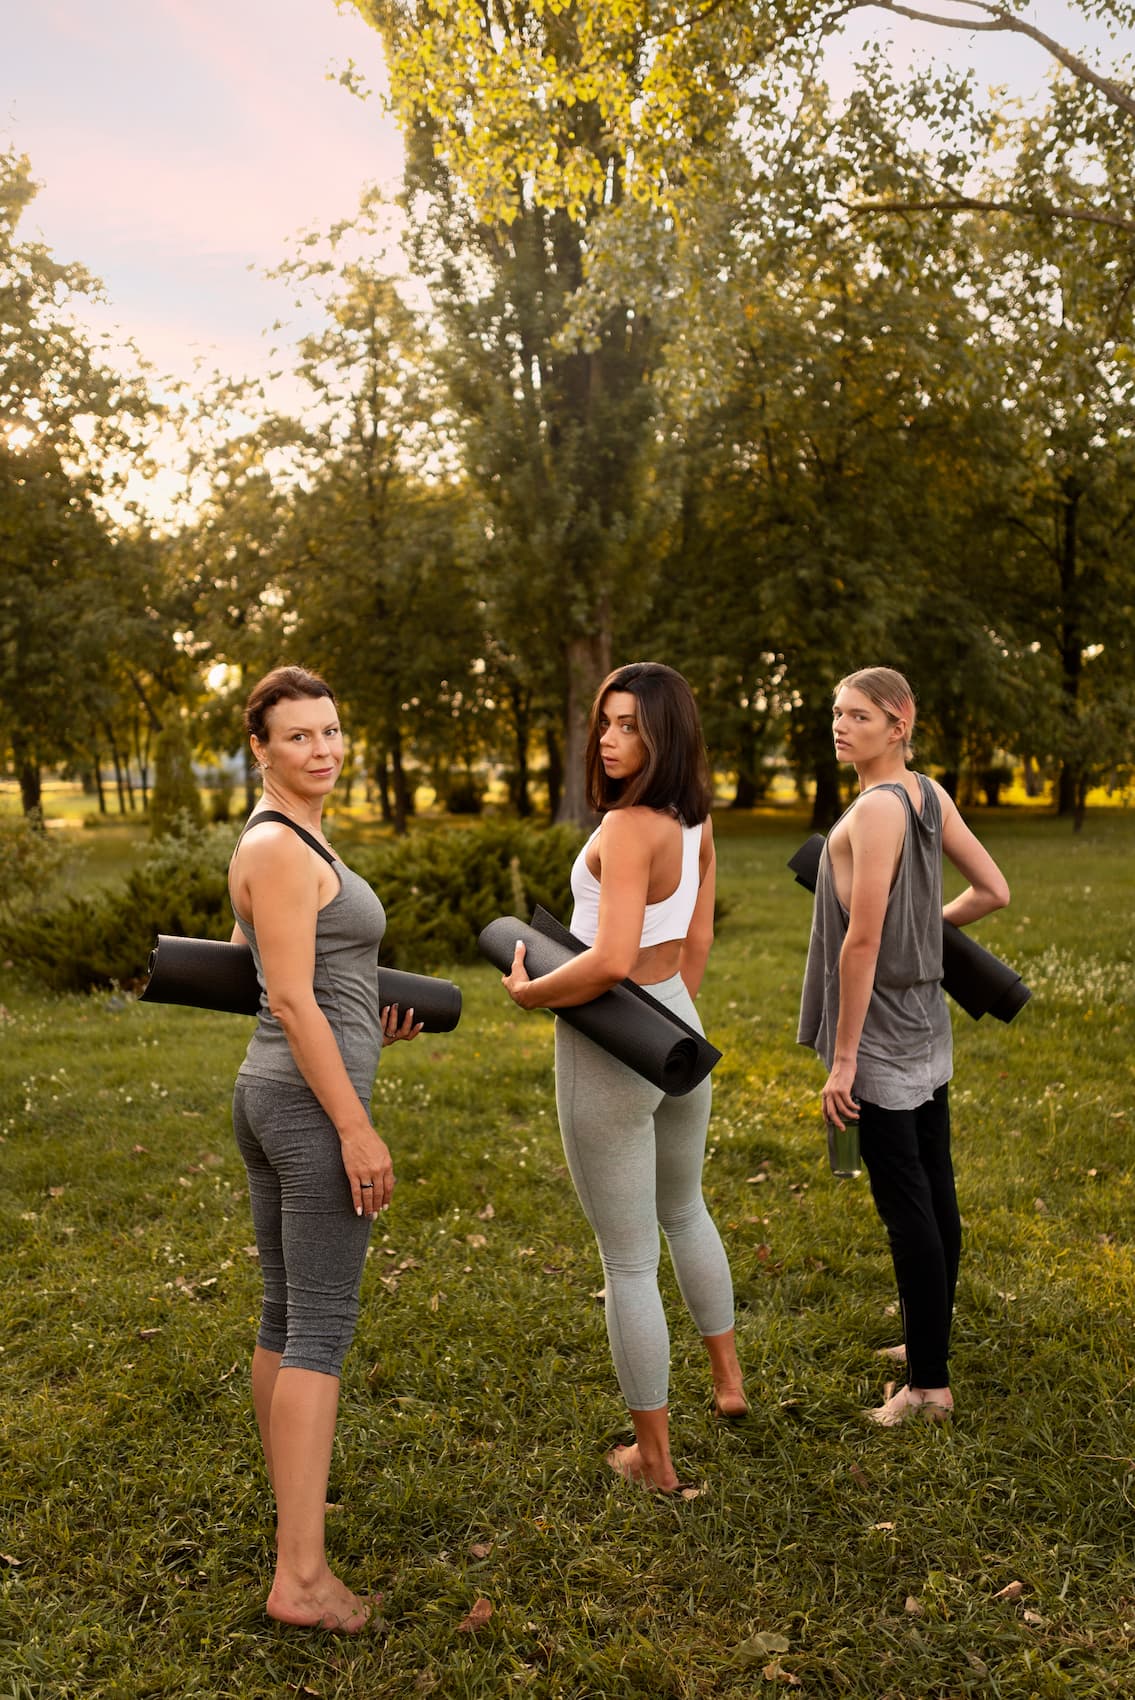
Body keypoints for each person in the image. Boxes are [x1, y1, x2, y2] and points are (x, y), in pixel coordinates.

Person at [500, 661, 745, 1493]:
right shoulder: (692, 819)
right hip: (677, 1027)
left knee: (630, 1262)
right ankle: (728, 1382)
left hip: (609, 1039)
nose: (607, 739)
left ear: (664, 733)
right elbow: (695, 935)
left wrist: (533, 993)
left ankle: (655, 1460)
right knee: (686, 1208)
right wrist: (671, 1015)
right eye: (605, 721)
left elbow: (606, 961)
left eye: (629, 726)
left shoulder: (628, 825)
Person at [227, 665, 421, 1630]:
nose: (322, 749)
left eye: (331, 730)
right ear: (260, 748)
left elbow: (264, 966)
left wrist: (361, 1020)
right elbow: (290, 1001)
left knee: (285, 1314)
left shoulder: (288, 834)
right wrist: (354, 1126)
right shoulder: (276, 844)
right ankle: (300, 1579)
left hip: (282, 1092)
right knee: (320, 1328)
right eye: (298, 735)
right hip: (306, 1110)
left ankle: (294, 1516)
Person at [798, 666, 1010, 1425]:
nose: (840, 725)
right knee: (934, 1186)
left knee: (905, 1204)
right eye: (837, 712)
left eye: (859, 715)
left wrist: (844, 1060)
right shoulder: (927, 794)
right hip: (926, 1018)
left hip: (883, 1031)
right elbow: (993, 890)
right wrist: (923, 928)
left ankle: (927, 1387)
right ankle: (929, 1337)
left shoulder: (877, 810)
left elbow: (860, 942)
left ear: (899, 723)